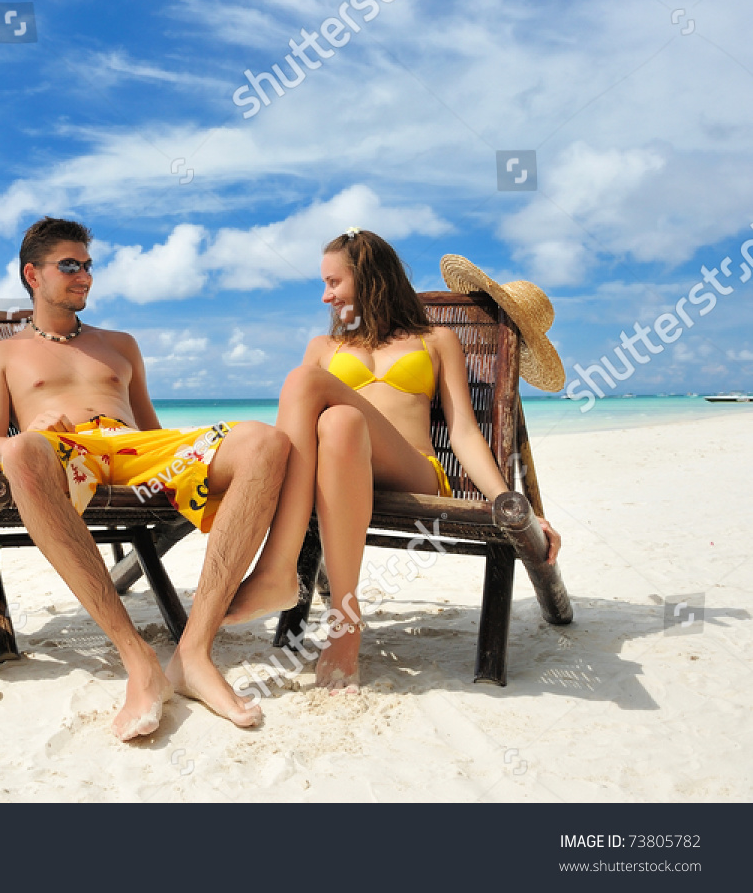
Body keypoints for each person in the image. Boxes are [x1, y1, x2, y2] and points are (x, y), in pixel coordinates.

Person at [0, 217, 291, 741]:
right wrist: (28, 431)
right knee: (23, 450)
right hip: (68, 452)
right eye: (69, 265)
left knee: (265, 440)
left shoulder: (120, 343)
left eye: (89, 265)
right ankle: (138, 660)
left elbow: (153, 431)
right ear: (33, 274)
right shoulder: (2, 354)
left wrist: (181, 464)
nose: (85, 276)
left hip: (137, 449)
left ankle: (193, 654)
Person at [223, 229, 564, 691]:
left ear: (368, 279)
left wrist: (509, 497)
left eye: (333, 282)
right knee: (340, 422)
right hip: (341, 468)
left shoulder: (435, 339)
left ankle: (276, 567)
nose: (326, 296)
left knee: (305, 383)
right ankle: (346, 620)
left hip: (414, 470)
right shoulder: (326, 347)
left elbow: (463, 431)